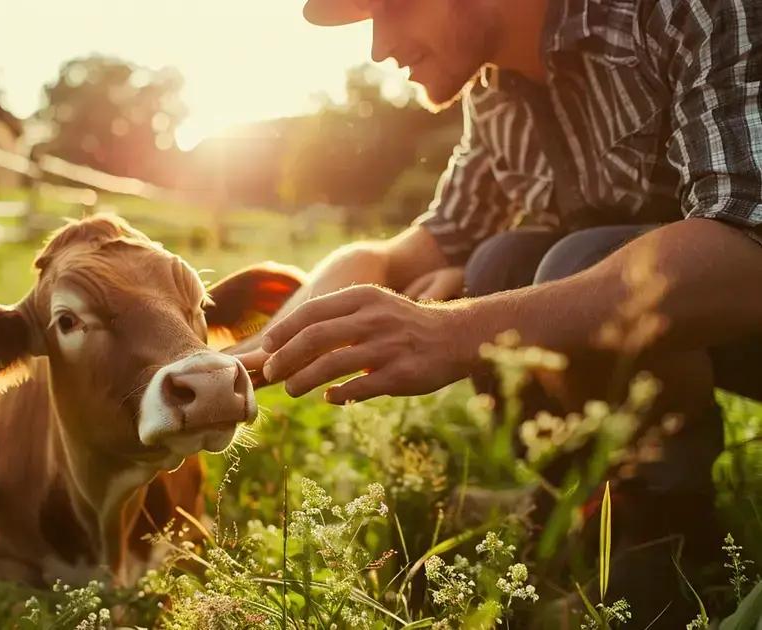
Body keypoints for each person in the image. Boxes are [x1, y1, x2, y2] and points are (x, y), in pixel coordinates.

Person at [234, 0, 762, 624]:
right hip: (692, 331)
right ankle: (583, 502)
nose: (379, 46)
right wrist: (255, 353)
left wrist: (457, 329)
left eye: (395, 7)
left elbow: (748, 244)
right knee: (499, 262)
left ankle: (665, 530)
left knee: (568, 262)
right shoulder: (494, 92)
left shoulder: (680, 11)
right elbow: (419, 247)